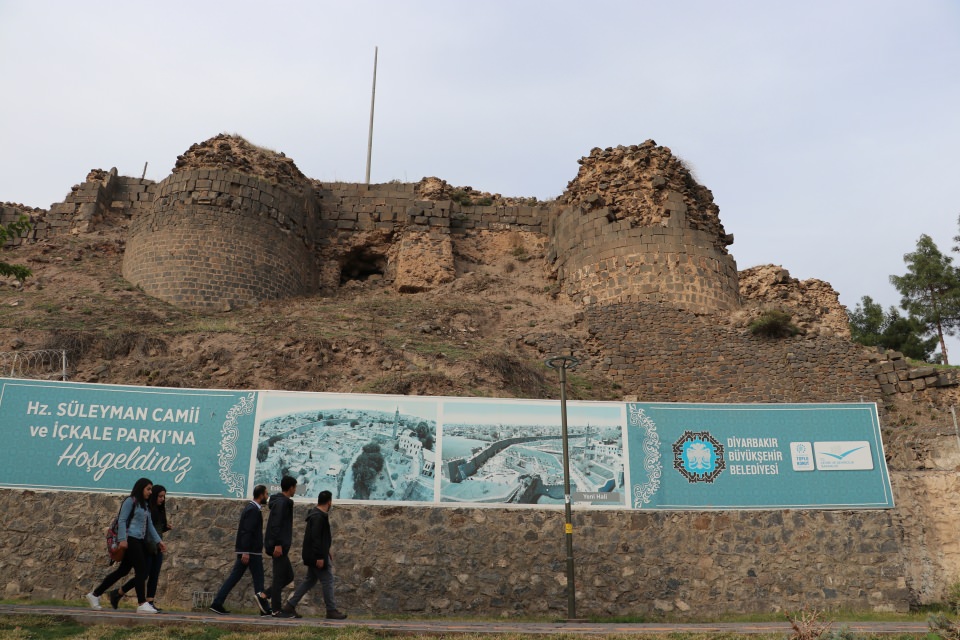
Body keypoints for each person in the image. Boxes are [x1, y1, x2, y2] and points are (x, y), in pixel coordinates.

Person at [86, 477, 166, 614]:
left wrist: (159, 541)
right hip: (130, 539)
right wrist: (123, 539)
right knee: (142, 570)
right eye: (148, 489)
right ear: (140, 488)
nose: (150, 492)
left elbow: (150, 525)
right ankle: (142, 603)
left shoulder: (145, 505)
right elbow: (122, 520)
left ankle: (94, 595)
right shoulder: (131, 501)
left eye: (151, 489)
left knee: (122, 571)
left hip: (139, 541)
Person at [276, 490, 346, 619]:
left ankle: (289, 606)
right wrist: (320, 556)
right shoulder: (318, 516)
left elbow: (321, 538)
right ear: (329, 501)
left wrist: (327, 550)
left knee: (309, 581)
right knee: (328, 580)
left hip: (315, 554)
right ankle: (331, 610)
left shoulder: (317, 514)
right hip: (316, 556)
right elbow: (316, 538)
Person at [209, 484, 273, 616]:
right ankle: (265, 608)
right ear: (261, 495)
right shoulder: (253, 510)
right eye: (266, 494)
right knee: (258, 579)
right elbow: (246, 531)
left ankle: (217, 603)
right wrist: (245, 551)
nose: (267, 497)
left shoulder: (253, 509)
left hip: (249, 551)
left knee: (235, 578)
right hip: (251, 552)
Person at [109, 484, 172, 611]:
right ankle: (121, 594)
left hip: (157, 546)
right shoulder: (147, 509)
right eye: (160, 496)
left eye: (164, 497)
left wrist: (165, 529)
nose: (162, 499)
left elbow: (156, 529)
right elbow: (147, 528)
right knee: (143, 575)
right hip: (146, 547)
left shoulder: (160, 510)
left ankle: (149, 601)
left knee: (154, 575)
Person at [264, 476, 297, 615]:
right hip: (278, 547)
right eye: (295, 487)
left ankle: (264, 595)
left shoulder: (283, 502)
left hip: (281, 546)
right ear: (290, 488)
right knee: (278, 577)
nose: (295, 489)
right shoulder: (282, 503)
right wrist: (277, 544)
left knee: (288, 575)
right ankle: (276, 610)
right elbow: (276, 525)